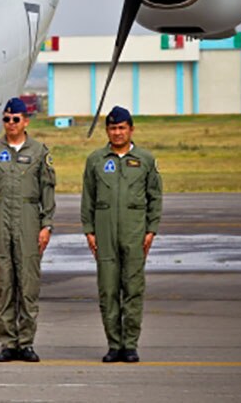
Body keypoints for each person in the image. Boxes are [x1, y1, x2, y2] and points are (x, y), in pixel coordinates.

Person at [81, 106, 162, 364]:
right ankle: (113, 345)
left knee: (133, 290)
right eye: (113, 128)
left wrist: (151, 230)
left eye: (122, 128)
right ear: (107, 131)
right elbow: (88, 200)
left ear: (131, 129)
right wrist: (89, 232)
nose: (117, 133)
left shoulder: (145, 160)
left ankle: (130, 345)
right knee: (108, 290)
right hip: (104, 236)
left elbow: (155, 198)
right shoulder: (95, 160)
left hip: (134, 234)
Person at [0, 97, 56, 363]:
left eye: (16, 119)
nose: (11, 124)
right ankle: (8, 342)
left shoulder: (39, 152)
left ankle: (27, 342)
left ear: (25, 121)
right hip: (0, 221)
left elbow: (47, 191)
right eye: (7, 119)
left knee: (28, 284)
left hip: (29, 219)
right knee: (4, 283)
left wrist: (46, 225)